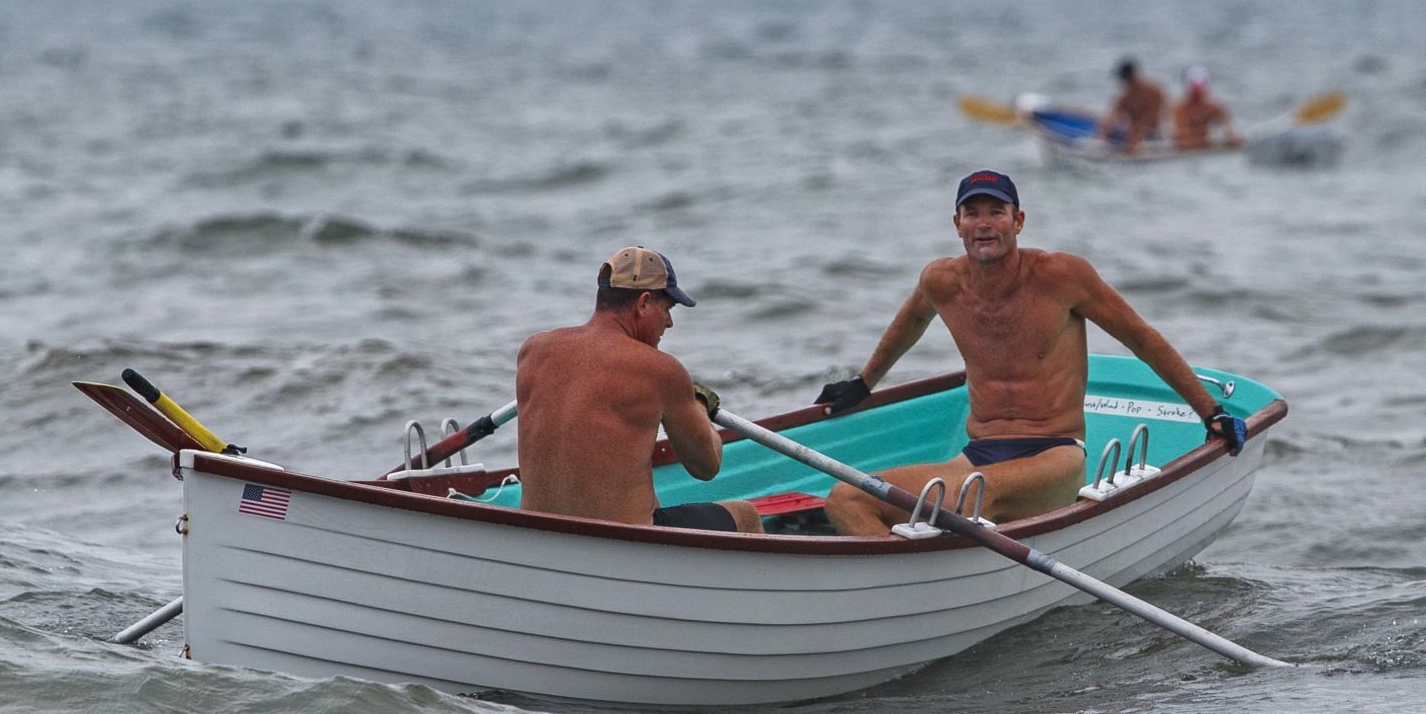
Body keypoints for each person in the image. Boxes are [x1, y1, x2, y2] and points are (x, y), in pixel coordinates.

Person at [813, 170, 1248, 537]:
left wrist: (1209, 412)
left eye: (996, 213)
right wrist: (864, 383)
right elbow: (909, 323)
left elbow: (1141, 338)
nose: (984, 224)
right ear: (957, 223)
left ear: (1017, 221)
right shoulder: (941, 282)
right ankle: (902, 592)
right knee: (846, 498)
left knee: (969, 494)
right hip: (979, 452)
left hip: (1053, 455)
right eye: (973, 214)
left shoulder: (1062, 276)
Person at [515, 246, 763, 533]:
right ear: (644, 303)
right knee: (747, 515)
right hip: (620, 541)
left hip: (537, 534)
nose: (669, 322)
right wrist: (697, 402)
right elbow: (706, 466)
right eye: (667, 309)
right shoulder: (660, 371)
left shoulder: (533, 351)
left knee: (648, 497)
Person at [1100, 58, 1167, 154]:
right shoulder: (1124, 98)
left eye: (1125, 79)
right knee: (1107, 128)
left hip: (1152, 135)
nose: (1124, 82)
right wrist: (1104, 134)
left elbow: (1152, 117)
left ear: (1132, 77)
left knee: (1136, 137)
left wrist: (1136, 133)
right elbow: (1112, 117)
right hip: (1132, 134)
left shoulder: (1154, 92)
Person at [1172, 65, 1242, 151]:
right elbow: (1183, 139)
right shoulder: (1180, 108)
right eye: (1195, 94)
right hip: (1188, 149)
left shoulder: (1214, 106)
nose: (1198, 98)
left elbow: (1230, 130)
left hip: (1203, 145)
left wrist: (1232, 137)